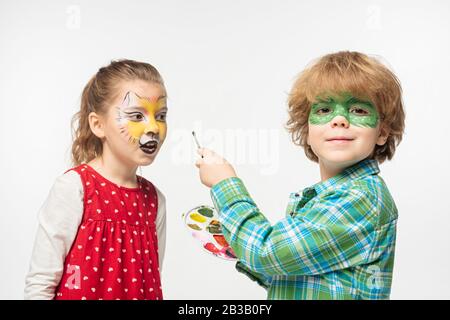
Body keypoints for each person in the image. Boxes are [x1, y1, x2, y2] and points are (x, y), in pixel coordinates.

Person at [195, 51, 405, 299]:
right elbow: (293, 275)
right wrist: (237, 242)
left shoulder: (361, 198)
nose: (339, 120)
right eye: (325, 109)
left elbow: (266, 254)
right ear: (306, 129)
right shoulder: (329, 198)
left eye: (358, 110)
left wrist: (224, 184)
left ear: (382, 131)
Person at [25, 59, 168, 300]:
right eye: (136, 116)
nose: (153, 127)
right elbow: (40, 283)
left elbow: (151, 282)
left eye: (161, 115)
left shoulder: (155, 201)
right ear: (98, 125)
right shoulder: (74, 188)